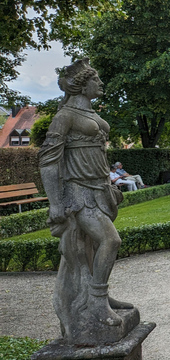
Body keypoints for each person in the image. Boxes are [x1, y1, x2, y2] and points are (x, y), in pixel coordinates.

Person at [38, 59, 131, 343]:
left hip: (99, 190)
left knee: (90, 250)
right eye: (96, 80)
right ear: (82, 84)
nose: (101, 84)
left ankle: (98, 294)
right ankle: (98, 302)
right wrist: (55, 203)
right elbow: (48, 161)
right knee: (110, 241)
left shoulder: (87, 111)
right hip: (79, 194)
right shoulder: (65, 115)